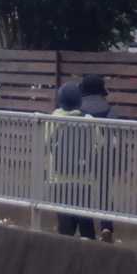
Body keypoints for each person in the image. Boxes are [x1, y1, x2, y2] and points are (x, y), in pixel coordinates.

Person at [47, 81, 97, 240]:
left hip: (58, 179)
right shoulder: (89, 120)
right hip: (84, 180)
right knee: (86, 222)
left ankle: (64, 249)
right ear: (79, 101)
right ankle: (89, 249)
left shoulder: (52, 119)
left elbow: (45, 143)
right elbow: (99, 144)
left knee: (65, 226)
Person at [78, 73, 115, 242]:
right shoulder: (109, 109)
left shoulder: (80, 110)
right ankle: (106, 227)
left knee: (83, 191)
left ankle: (87, 231)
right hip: (105, 157)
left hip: (83, 157)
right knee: (104, 192)